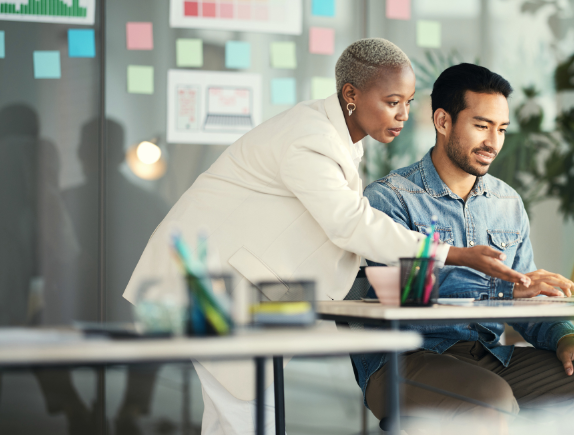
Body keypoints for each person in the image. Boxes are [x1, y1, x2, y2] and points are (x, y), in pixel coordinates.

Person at [123, 39, 531, 434]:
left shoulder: (336, 140)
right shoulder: (311, 138)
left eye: (407, 102)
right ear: (351, 94)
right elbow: (350, 224)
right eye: (392, 102)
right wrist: (456, 254)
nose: (404, 114)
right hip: (202, 286)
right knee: (247, 420)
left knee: (238, 419)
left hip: (229, 288)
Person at [355, 63, 574, 432]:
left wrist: (567, 337)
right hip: (404, 358)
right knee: (491, 400)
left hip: (486, 355)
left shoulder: (507, 202)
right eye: (482, 126)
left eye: (501, 129)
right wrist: (503, 288)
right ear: (442, 121)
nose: (493, 142)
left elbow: (529, 295)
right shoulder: (391, 198)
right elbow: (406, 298)